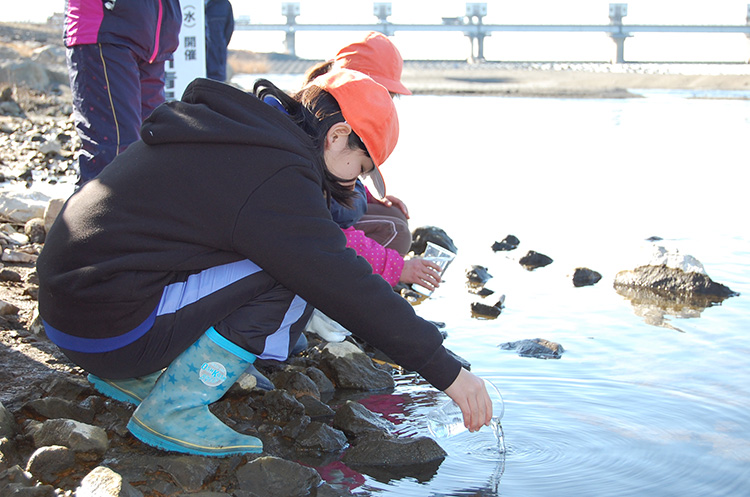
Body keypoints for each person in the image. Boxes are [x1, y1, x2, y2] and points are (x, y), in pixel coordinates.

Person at [37, 70, 492, 457]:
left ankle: (143, 376)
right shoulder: (274, 177)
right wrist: (444, 368)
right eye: (360, 164)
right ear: (336, 137)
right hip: (107, 329)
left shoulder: (236, 130)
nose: (355, 181)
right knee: (293, 269)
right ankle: (175, 408)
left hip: (71, 310)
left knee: (290, 254)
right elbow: (342, 281)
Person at [303, 32, 442, 292]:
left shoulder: (313, 114)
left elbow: (338, 172)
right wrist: (398, 267)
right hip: (305, 247)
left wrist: (374, 197)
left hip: (312, 228)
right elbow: (322, 232)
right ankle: (340, 301)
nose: (384, 102)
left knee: (393, 215)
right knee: (396, 231)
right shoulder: (309, 152)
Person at [63, 0, 182, 187]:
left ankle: (139, 215)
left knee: (151, 147)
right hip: (108, 27)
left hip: (155, 38)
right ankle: (95, 216)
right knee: (116, 152)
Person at [205, 0, 234, 82]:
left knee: (216, 90)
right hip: (190, 64)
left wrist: (219, 46)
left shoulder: (223, 4)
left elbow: (228, 31)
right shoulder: (187, 3)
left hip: (216, 63)